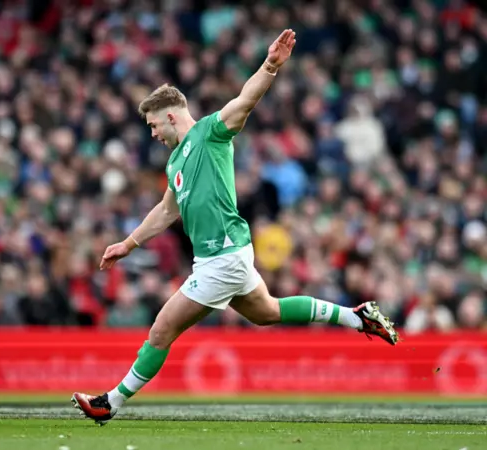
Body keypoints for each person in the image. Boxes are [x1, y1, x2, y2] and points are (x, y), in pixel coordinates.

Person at [71, 29, 399, 426]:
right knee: (266, 312)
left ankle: (111, 403)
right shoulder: (175, 163)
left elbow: (244, 101)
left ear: (171, 116)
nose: (153, 134)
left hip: (223, 256)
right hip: (222, 255)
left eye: (155, 125)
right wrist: (128, 243)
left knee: (161, 329)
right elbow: (166, 210)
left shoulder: (210, 133)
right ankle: (357, 316)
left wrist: (270, 66)